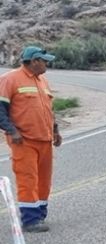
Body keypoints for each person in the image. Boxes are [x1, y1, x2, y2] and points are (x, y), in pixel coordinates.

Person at [0, 46, 61, 233]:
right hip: (24, 140)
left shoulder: (42, 80)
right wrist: (12, 131)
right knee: (28, 179)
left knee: (44, 180)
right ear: (34, 61)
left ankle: (40, 214)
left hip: (45, 138)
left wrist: (56, 130)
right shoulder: (10, 79)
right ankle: (30, 220)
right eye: (44, 61)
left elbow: (48, 109)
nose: (47, 64)